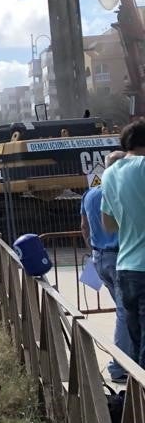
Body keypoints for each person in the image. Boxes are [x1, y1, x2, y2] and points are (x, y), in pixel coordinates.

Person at [82, 150, 130, 381]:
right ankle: (118, 367)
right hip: (121, 257)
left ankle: (129, 361)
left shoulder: (90, 194)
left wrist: (93, 250)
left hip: (99, 257)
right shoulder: (120, 193)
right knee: (125, 312)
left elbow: (84, 226)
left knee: (125, 310)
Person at [102, 119, 145, 368]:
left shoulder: (109, 174)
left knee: (137, 340)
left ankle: (136, 388)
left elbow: (108, 224)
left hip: (126, 267)